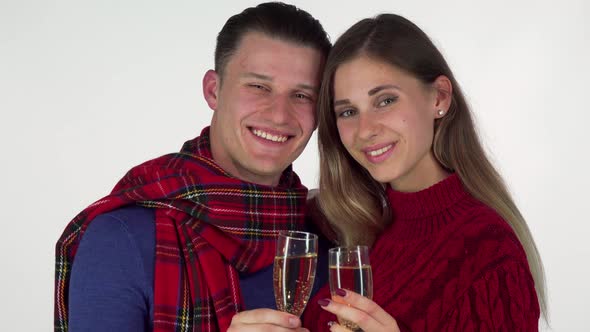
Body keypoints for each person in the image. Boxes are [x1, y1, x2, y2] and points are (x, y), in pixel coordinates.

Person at [54, 2, 331, 331]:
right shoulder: (121, 238)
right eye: (259, 87)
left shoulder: (330, 240)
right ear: (214, 90)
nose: (279, 115)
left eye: (302, 95)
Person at [302, 14, 547, 331]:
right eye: (348, 111)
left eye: (385, 100)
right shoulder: (360, 229)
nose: (365, 130)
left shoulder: (489, 251)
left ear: (439, 98)